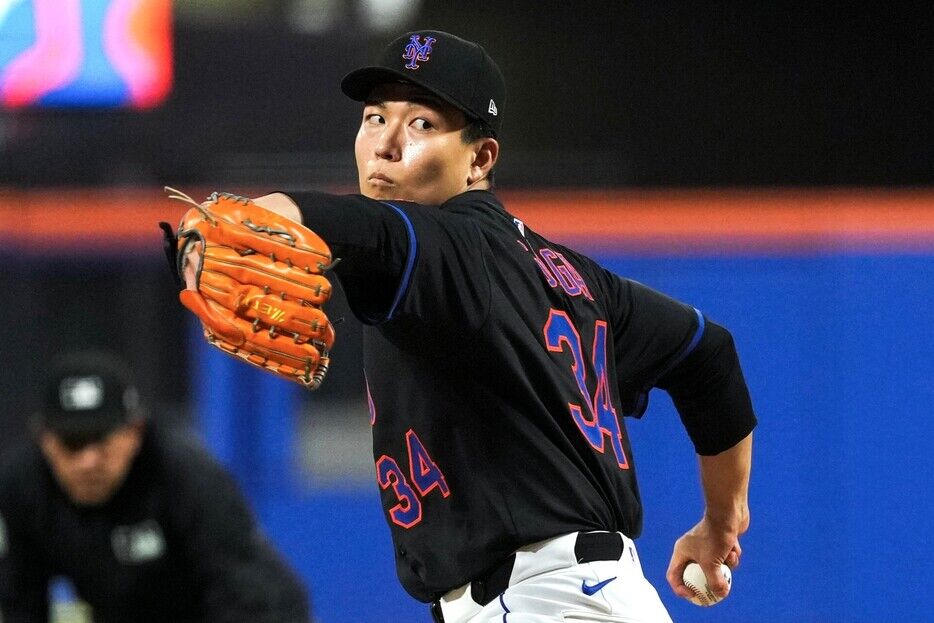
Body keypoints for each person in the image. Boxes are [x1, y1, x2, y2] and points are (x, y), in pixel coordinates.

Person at [191, 29, 756, 622]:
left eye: (422, 124)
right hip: (585, 596)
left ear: (480, 159)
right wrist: (722, 523)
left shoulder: (451, 245)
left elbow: (362, 227)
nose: (386, 144)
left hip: (541, 601)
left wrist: (240, 223)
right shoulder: (578, 280)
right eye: (375, 118)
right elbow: (707, 355)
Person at [0, 350, 312, 623]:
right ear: (44, 439)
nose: (88, 461)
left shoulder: (184, 473)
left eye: (102, 440)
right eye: (73, 443)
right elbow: (20, 602)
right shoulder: (22, 489)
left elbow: (249, 592)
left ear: (134, 433)